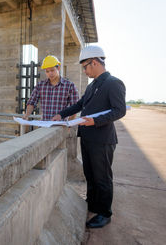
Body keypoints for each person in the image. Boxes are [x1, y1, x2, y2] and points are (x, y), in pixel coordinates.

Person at [52, 45, 126, 228]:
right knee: (90, 174)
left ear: (94, 62)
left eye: (85, 67)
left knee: (102, 177)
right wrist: (61, 114)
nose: (84, 71)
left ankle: (104, 213)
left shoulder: (113, 83)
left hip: (102, 140)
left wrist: (95, 121)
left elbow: (119, 111)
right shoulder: (93, 85)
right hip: (87, 138)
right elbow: (79, 104)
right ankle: (92, 203)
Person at [22, 55, 79, 121]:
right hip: (44, 126)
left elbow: (75, 108)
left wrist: (69, 124)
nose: (50, 73)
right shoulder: (40, 86)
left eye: (52, 70)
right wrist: (26, 115)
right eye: (47, 71)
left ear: (58, 68)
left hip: (60, 127)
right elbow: (31, 102)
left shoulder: (69, 86)